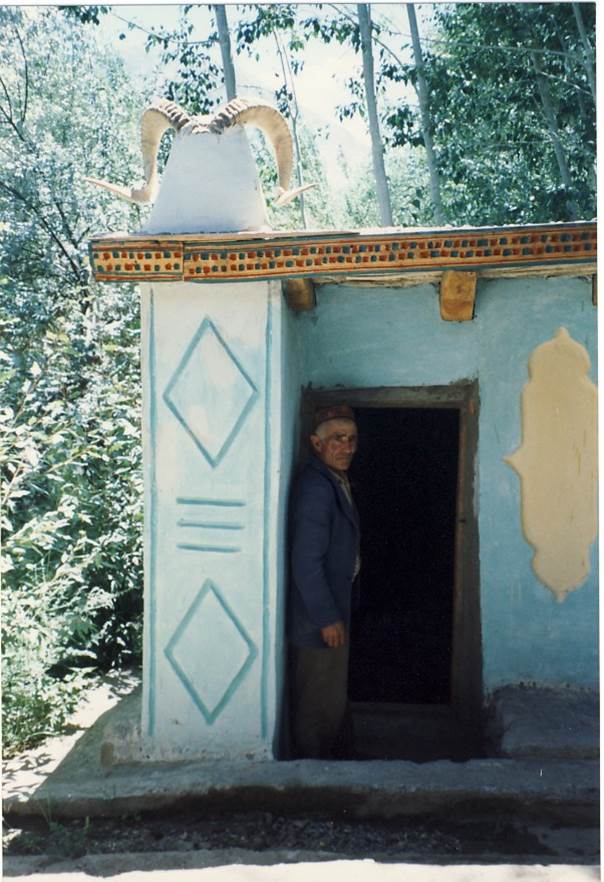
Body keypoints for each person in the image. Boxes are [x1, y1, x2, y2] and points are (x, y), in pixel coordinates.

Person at [288, 404, 361, 759]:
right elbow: (305, 561)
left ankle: (330, 763)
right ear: (316, 444)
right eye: (337, 439)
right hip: (318, 619)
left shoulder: (333, 480)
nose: (346, 447)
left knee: (330, 695)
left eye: (351, 439)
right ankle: (312, 778)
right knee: (318, 698)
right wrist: (326, 617)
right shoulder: (316, 488)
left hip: (331, 611)